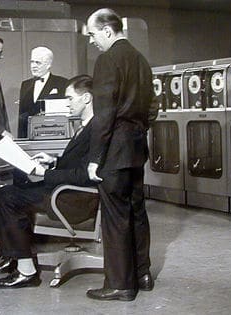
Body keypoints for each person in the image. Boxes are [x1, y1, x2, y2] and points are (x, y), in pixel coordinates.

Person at [0, 75, 98, 289]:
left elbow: (85, 174)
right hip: (67, 190)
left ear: (86, 98)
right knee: (13, 189)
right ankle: (16, 257)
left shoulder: (95, 129)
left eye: (70, 99)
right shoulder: (86, 125)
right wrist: (53, 161)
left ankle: (25, 270)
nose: (67, 104)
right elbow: (76, 163)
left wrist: (44, 173)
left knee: (7, 196)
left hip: (73, 198)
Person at [84, 8, 154, 301]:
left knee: (114, 217)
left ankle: (120, 284)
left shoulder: (107, 59)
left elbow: (104, 114)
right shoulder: (141, 60)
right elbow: (152, 109)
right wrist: (135, 132)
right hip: (136, 150)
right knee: (136, 211)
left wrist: (94, 157)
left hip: (114, 150)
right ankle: (142, 274)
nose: (91, 41)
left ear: (107, 31)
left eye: (92, 34)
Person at [17, 46, 68, 138]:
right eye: (32, 62)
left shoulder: (62, 83)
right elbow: (22, 117)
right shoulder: (25, 85)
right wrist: (21, 139)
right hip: (30, 136)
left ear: (48, 65)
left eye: (38, 62)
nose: (33, 66)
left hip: (53, 135)